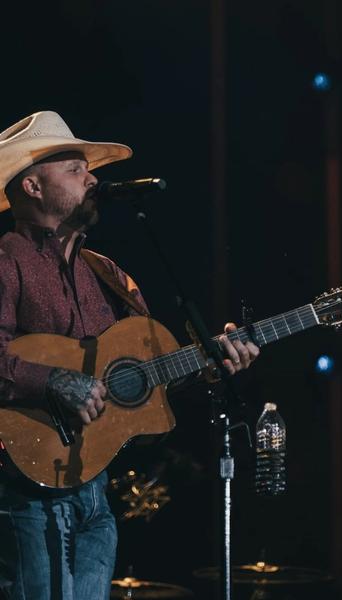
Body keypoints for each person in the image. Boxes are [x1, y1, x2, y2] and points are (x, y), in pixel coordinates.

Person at [0, 110, 260, 600]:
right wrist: (53, 381)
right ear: (33, 187)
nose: (93, 178)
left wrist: (209, 363)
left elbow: (135, 381)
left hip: (95, 494)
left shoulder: (106, 275)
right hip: (24, 492)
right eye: (75, 169)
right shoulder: (7, 263)